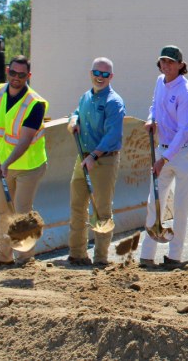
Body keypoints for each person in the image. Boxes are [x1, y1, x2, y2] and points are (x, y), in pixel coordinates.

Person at [0, 55, 49, 267]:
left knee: (21, 212)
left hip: (28, 166)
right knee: (2, 212)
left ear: (28, 76)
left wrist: (6, 164)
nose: (16, 78)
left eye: (21, 75)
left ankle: (26, 259)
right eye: (13, 73)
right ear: (7, 71)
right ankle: (3, 257)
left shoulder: (35, 104)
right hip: (3, 164)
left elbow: (24, 141)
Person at [139, 45, 188, 267]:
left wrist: (163, 159)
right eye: (164, 61)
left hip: (184, 153)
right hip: (163, 148)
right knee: (154, 201)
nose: (167, 65)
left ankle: (174, 256)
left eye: (171, 62)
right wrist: (151, 118)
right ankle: (147, 255)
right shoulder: (159, 81)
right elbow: (155, 105)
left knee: (181, 207)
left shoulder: (187, 92)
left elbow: (184, 131)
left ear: (181, 65)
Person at [66, 57, 125, 266]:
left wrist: (94, 156)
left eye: (105, 74)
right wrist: (73, 119)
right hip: (83, 158)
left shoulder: (114, 102)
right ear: (91, 74)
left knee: (101, 210)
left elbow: (112, 135)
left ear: (111, 77)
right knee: (77, 206)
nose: (100, 77)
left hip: (103, 160)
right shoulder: (86, 97)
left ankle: (100, 258)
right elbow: (76, 113)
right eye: (97, 73)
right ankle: (77, 254)